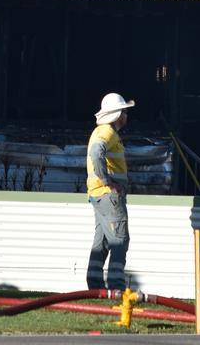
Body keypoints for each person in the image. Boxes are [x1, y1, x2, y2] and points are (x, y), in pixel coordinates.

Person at [86, 92, 134, 292]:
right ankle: (116, 288)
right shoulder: (108, 132)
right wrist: (107, 181)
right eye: (124, 111)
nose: (126, 115)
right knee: (119, 240)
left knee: (103, 242)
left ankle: (95, 286)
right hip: (109, 195)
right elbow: (97, 152)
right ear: (117, 114)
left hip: (98, 196)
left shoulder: (102, 131)